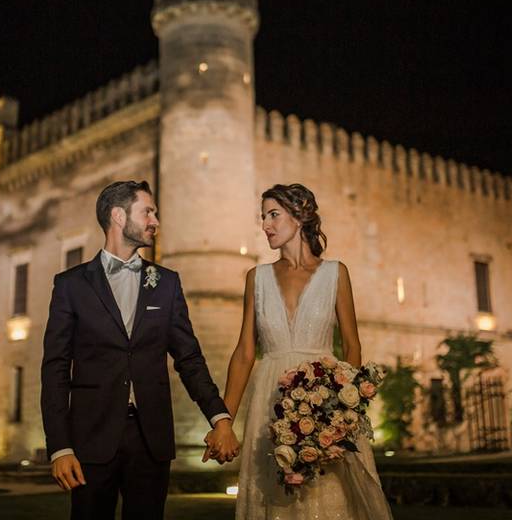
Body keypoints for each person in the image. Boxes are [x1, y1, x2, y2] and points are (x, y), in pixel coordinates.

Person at [40, 180, 240, 520]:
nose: (156, 222)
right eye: (148, 212)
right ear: (118, 216)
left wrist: (220, 418)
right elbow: (55, 369)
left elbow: (189, 359)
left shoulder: (167, 283)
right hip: (91, 439)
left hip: (151, 440)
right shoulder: (70, 286)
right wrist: (60, 446)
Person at [210, 183, 395, 519]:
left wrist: (340, 413)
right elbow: (244, 353)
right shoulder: (256, 278)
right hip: (270, 400)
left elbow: (352, 345)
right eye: (263, 217)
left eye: (273, 214)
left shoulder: (336, 273)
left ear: (300, 216)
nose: (265, 225)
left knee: (326, 495)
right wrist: (224, 421)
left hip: (322, 400)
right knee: (275, 494)